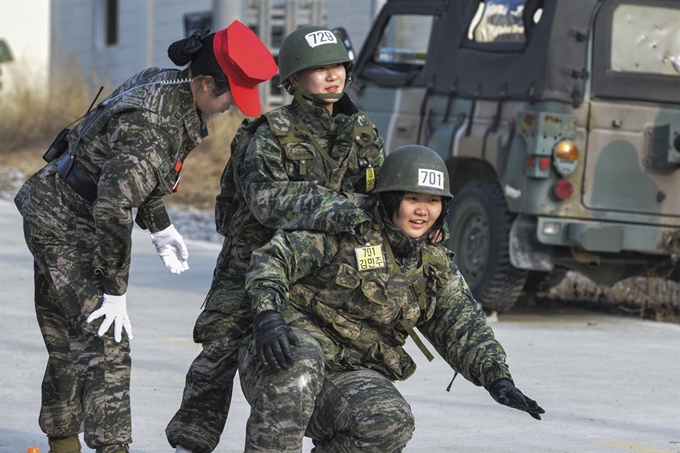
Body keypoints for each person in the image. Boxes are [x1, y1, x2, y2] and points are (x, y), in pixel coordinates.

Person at [13, 21, 277, 453]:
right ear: (208, 82)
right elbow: (114, 207)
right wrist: (114, 292)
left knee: (68, 339)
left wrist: (159, 223)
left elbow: (130, 177)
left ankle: (62, 443)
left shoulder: (168, 82)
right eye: (231, 94)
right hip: (64, 220)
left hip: (56, 201)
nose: (232, 106)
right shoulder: (154, 124)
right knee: (106, 340)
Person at [239, 144, 545, 452]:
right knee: (301, 360)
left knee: (388, 421)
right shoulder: (346, 224)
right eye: (413, 198)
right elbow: (275, 259)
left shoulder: (434, 263)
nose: (423, 211)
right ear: (390, 197)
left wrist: (498, 378)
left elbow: (463, 325)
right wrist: (268, 315)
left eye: (433, 201)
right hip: (278, 355)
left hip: (346, 374)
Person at [166, 25, 385, 453]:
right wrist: (344, 206)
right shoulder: (268, 133)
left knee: (312, 360)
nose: (332, 75)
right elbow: (269, 201)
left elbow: (380, 199)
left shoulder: (363, 133)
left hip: (318, 268)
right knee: (217, 354)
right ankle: (189, 444)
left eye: (338, 65)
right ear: (294, 79)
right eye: (319, 68)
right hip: (251, 261)